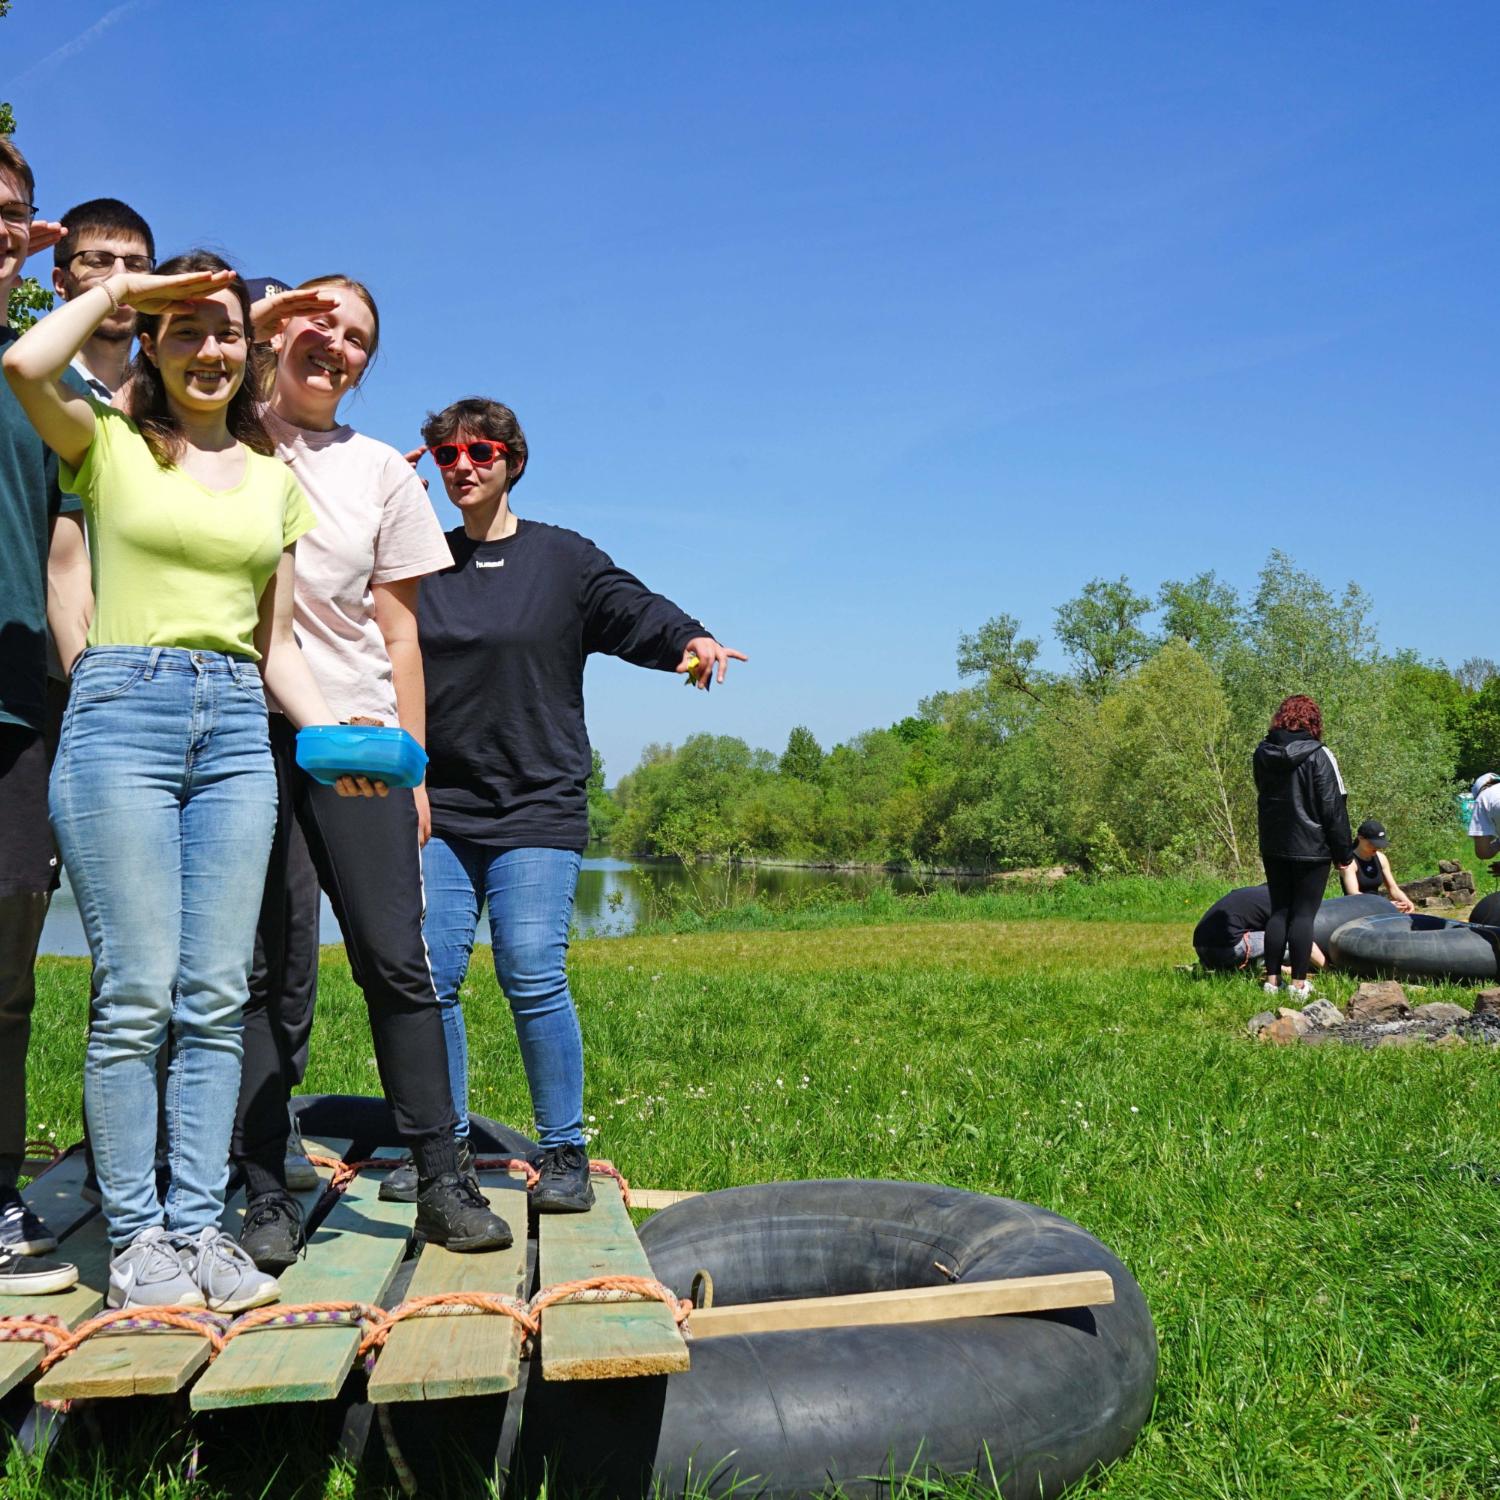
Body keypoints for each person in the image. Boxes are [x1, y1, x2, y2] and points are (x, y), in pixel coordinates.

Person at [2, 249, 349, 1312]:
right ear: (153, 343)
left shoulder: (274, 485)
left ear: (251, 358)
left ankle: (198, 1232)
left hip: (239, 724)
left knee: (214, 997)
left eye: (226, 333)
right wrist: (124, 294)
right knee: (136, 995)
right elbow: (24, 359)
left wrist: (342, 741)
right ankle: (139, 1239)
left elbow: (277, 645)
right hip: (120, 717)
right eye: (186, 330)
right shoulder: (105, 443)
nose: (209, 349)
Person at [396, 396, 746, 1212]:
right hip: (440, 806)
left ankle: (563, 1153)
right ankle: (443, 1151)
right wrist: (377, 484)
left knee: (530, 970)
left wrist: (689, 641)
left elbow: (634, 609)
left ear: (512, 459)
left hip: (537, 803)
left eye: (481, 452)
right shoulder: (418, 564)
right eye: (447, 456)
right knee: (430, 977)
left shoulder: (563, 560)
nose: (464, 468)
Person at [230, 278, 512, 1275]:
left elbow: (399, 632)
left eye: (357, 339)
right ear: (278, 325)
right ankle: (264, 1190)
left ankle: (442, 1178)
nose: (335, 347)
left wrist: (415, 765)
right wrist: (258, 327)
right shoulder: (221, 428)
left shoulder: (380, 474)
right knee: (264, 969)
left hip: (356, 746)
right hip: (242, 734)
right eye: (320, 323)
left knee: (398, 960)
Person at [0, 136, 86, 1295]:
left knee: (6, 981)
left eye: (12, 208)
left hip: (21, 714)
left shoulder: (39, 385)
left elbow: (70, 557)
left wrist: (93, 693)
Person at [1252, 694, 1354, 1000]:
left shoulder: (1262, 752)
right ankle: (1298, 985)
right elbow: (1333, 807)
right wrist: (1343, 853)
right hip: (1312, 847)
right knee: (1303, 915)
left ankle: (1272, 982)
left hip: (1274, 844)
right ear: (1313, 722)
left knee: (1279, 911)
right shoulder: (1321, 755)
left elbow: (1263, 793)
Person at [52, 198, 155, 401]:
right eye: (99, 262)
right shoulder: (33, 383)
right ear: (61, 282)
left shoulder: (165, 400)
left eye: (135, 265)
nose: (121, 277)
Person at [1192, 884, 1328, 973]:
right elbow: (1303, 942)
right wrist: (1328, 969)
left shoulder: (1256, 894)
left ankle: (1241, 967)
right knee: (1286, 940)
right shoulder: (1279, 903)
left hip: (1201, 949)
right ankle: (1276, 969)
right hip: (1225, 950)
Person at [1339, 819, 1414, 912]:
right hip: (1356, 909)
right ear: (1360, 838)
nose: (1376, 847)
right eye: (1372, 843)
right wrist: (1384, 904)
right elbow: (1354, 894)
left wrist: (1406, 901)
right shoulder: (1349, 862)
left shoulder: (1381, 858)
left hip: (1377, 908)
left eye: (1379, 844)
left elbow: (1393, 888)